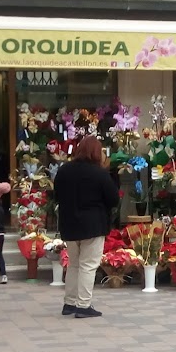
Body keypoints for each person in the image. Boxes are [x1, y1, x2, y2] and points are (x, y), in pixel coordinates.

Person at [54, 135, 120, 319]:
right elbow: (114, 199)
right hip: (93, 224)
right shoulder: (99, 173)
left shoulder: (64, 170)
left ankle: (69, 303)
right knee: (88, 265)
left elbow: (56, 195)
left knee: (74, 264)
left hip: (69, 224)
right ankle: (83, 305)